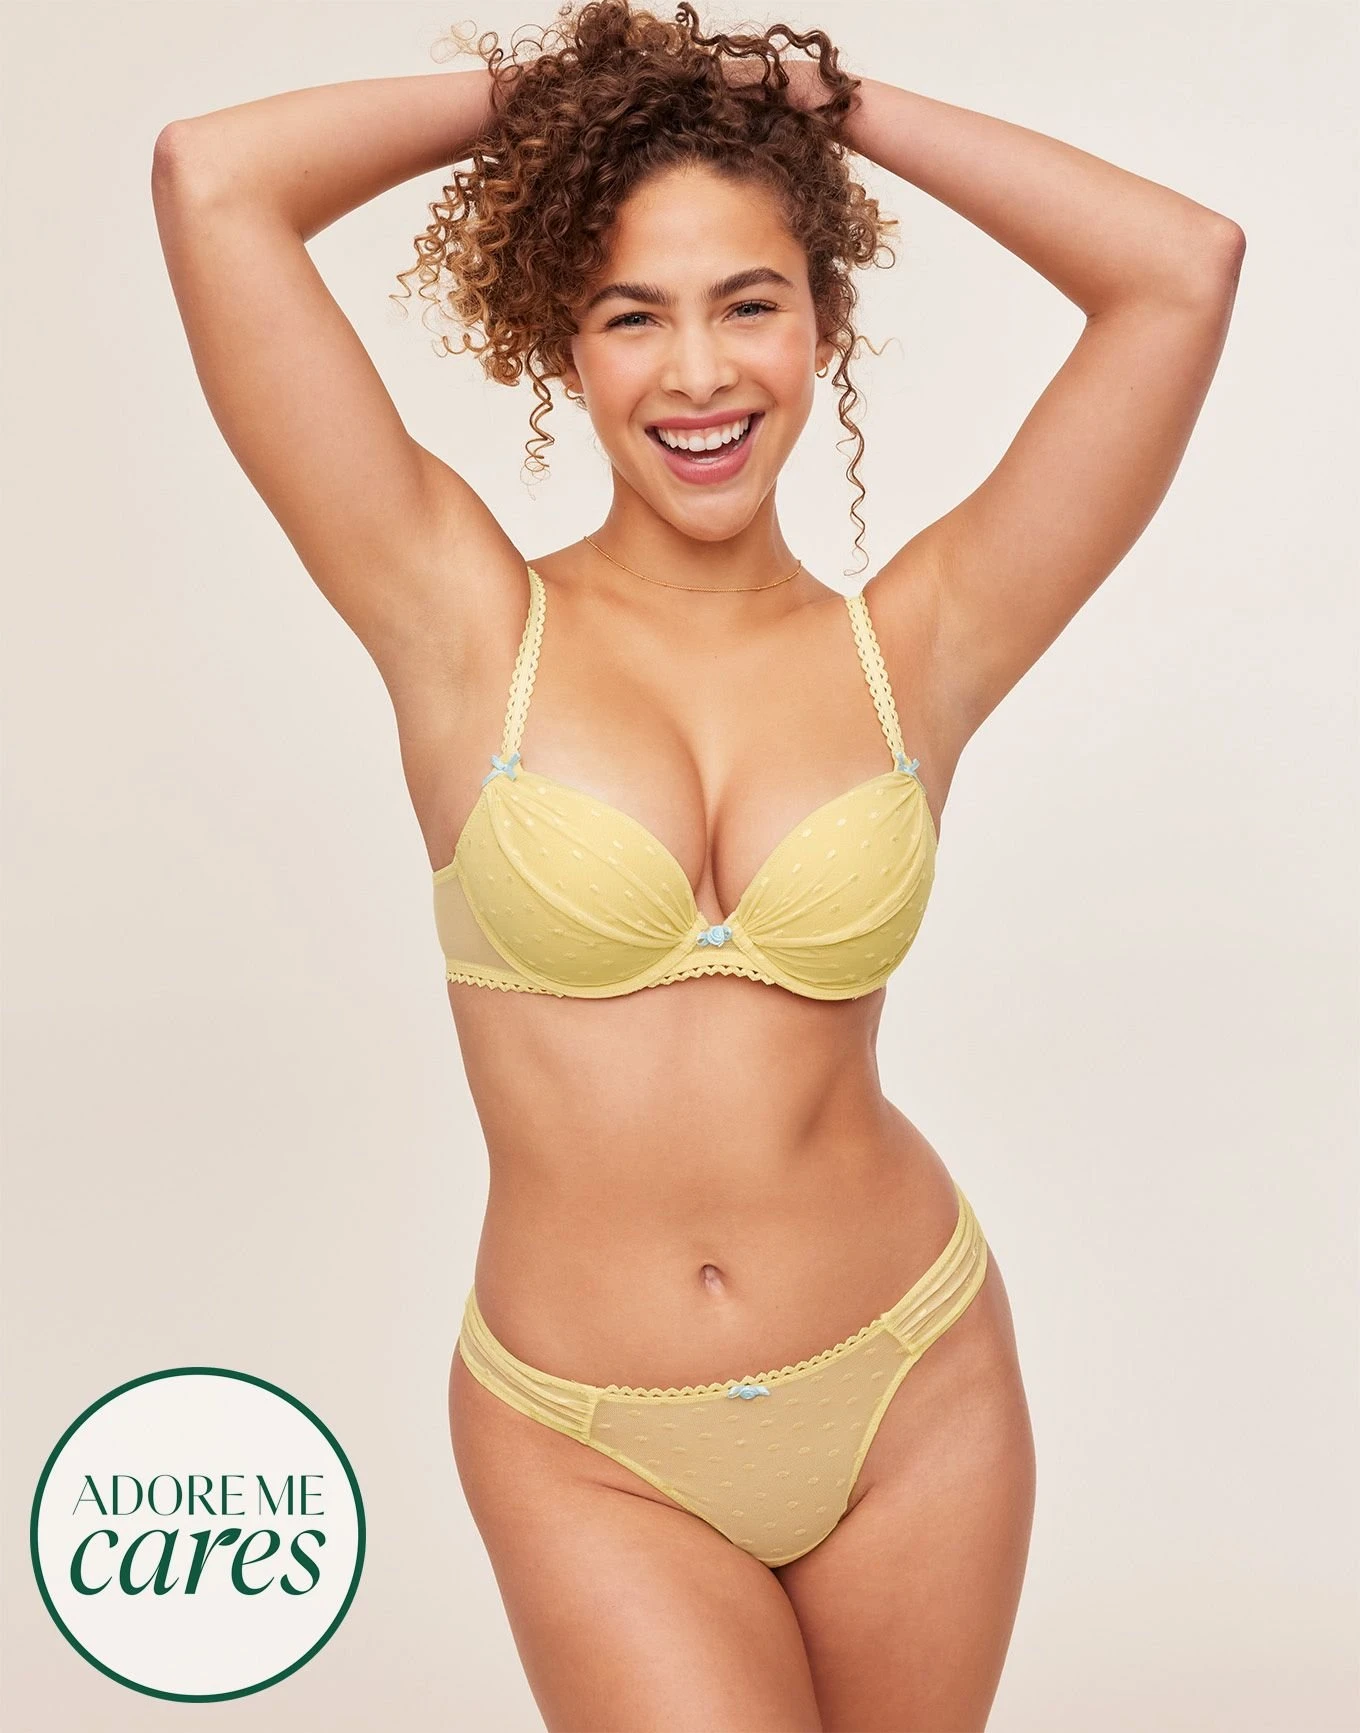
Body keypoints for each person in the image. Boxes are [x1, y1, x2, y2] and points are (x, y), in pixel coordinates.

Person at [151, 2, 1244, 1726]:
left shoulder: (920, 645)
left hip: (914, 1383)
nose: (700, 373)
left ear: (824, 320)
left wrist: (827, 104)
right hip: (592, 1445)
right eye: (630, 315)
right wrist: (572, 95)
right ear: (560, 344)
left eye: (751, 302)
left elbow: (1182, 270)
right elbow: (212, 181)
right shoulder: (460, 621)